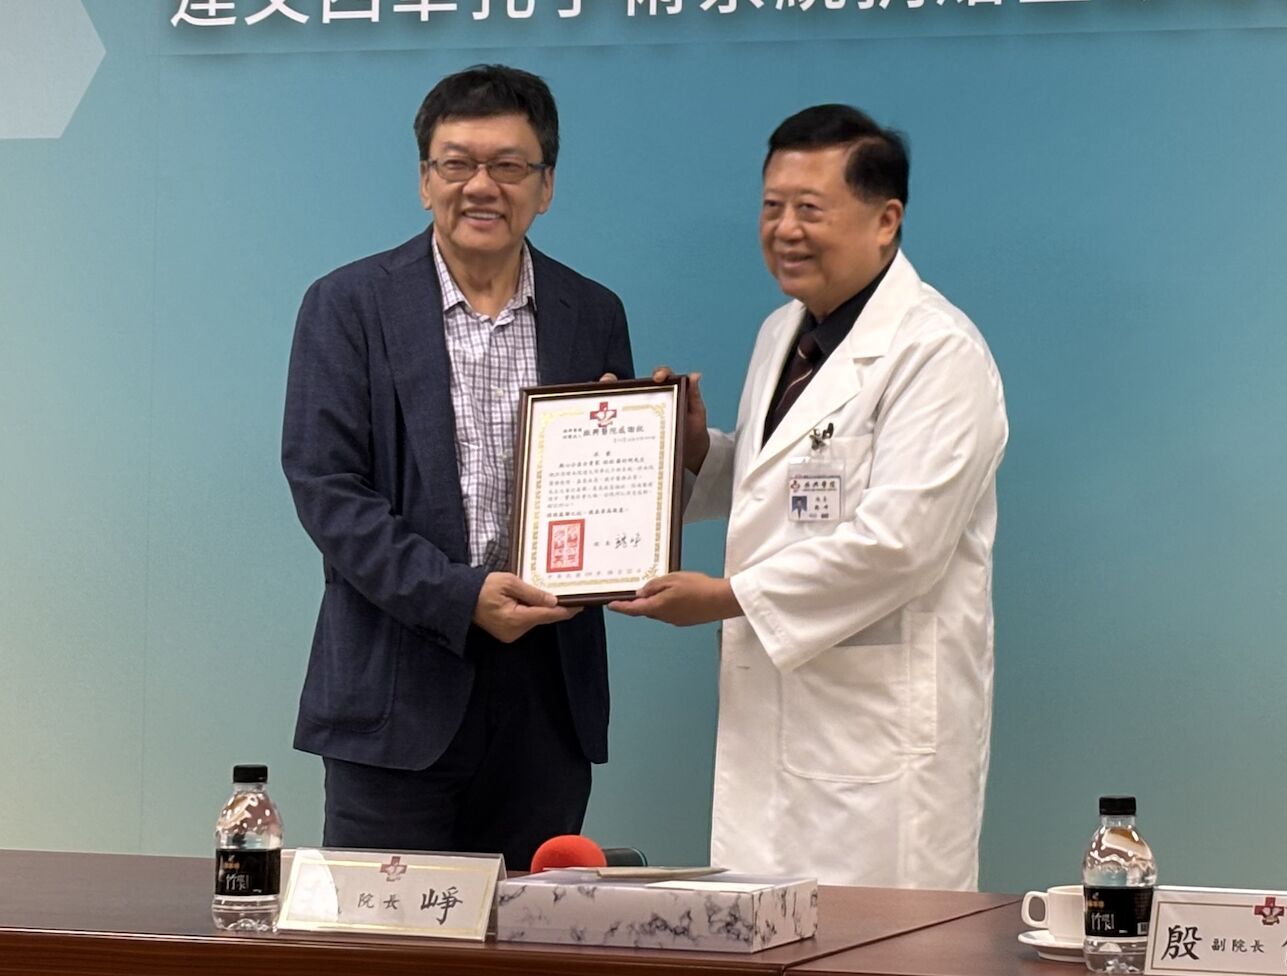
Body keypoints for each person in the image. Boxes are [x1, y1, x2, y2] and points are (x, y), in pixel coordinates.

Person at [611, 105, 1007, 889]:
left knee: (883, 940)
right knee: (761, 925)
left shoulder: (938, 352)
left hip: (877, 747)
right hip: (778, 723)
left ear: (886, 220)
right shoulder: (783, 332)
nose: (785, 230)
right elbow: (789, 489)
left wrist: (727, 597)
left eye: (810, 209)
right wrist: (695, 452)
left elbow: (900, 544)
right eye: (772, 207)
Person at [281, 64, 634, 868]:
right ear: (424, 180)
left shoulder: (592, 311)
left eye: (508, 165)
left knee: (531, 928)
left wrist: (659, 465)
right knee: (386, 932)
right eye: (457, 163)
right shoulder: (348, 304)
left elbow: (610, 483)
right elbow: (327, 489)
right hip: (394, 697)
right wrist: (458, 595)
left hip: (546, 700)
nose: (481, 186)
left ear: (545, 186)